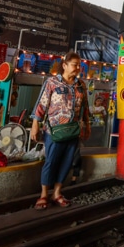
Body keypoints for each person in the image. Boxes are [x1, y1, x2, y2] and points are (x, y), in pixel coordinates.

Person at [30, 51, 90, 209]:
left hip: (74, 131)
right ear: (64, 65)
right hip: (54, 131)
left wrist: (87, 125)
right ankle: (44, 195)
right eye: (74, 65)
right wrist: (35, 125)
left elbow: (85, 108)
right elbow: (41, 104)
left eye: (79, 65)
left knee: (67, 162)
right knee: (51, 162)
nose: (77, 68)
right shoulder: (52, 82)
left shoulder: (80, 85)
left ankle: (57, 193)